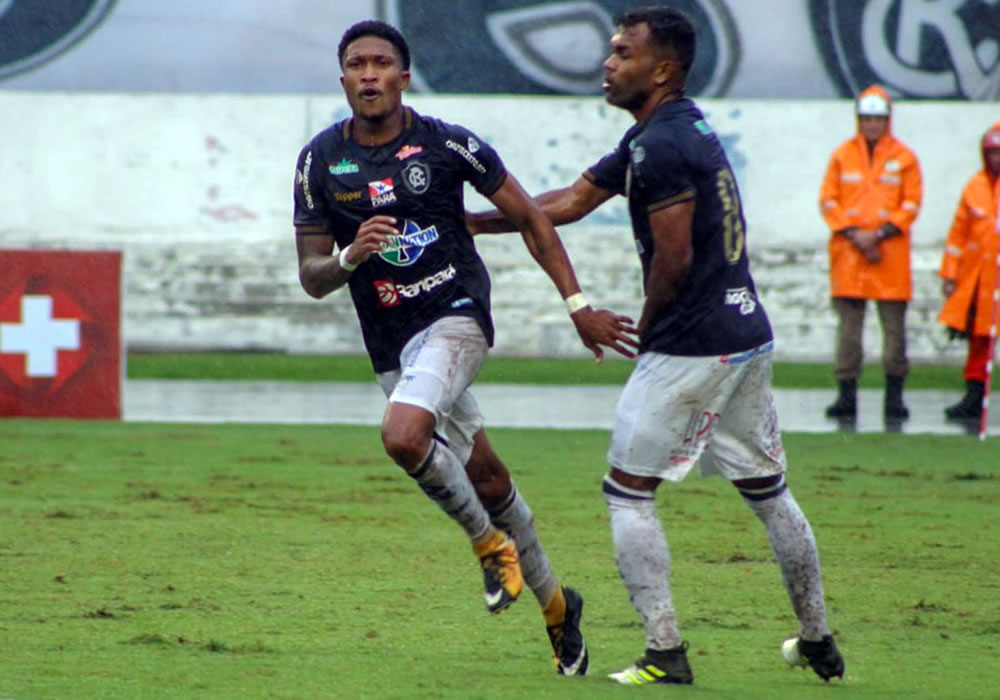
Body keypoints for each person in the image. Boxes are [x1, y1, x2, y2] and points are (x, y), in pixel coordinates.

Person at [468, 6, 844, 686]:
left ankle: (665, 652)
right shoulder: (670, 129)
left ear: (663, 69)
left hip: (693, 345)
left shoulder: (661, 145)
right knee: (768, 491)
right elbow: (570, 201)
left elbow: (673, 257)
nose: (607, 63)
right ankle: (818, 638)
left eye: (623, 53)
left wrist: (649, 329)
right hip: (745, 334)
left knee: (628, 492)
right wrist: (472, 222)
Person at [293, 19, 638, 676]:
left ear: (404, 76)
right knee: (490, 479)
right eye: (357, 65)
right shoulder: (319, 162)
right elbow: (312, 277)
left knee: (402, 436)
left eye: (380, 63)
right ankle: (558, 609)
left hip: (457, 319)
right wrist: (348, 257)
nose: (369, 74)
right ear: (343, 79)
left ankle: (488, 546)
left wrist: (578, 306)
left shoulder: (449, 144)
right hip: (392, 345)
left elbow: (532, 217)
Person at [819, 84, 923, 421]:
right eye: (866, 119)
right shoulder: (842, 155)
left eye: (877, 119)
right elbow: (828, 201)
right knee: (848, 333)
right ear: (859, 120)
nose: (872, 125)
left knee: (894, 333)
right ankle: (846, 396)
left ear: (887, 120)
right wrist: (857, 236)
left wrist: (877, 235)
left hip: (889, 257)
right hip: (850, 257)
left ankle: (894, 398)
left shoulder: (905, 158)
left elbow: (911, 204)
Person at [937, 123, 1000, 421]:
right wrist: (950, 273)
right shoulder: (974, 186)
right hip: (979, 278)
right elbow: (958, 234)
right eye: (992, 153)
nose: (996, 159)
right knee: (978, 340)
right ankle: (974, 396)